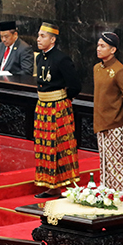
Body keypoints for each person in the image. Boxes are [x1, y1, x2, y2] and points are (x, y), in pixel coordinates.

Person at [33, 21, 81, 198]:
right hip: (42, 106)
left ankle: (66, 184)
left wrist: (65, 98)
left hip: (58, 107)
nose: (38, 39)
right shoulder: (40, 57)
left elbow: (75, 85)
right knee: (44, 146)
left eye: (42, 36)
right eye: (38, 35)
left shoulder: (62, 59)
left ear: (52, 40)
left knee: (60, 146)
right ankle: (50, 185)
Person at [93, 31, 123, 193]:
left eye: (102, 46)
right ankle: (107, 194)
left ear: (113, 50)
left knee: (118, 161)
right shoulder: (97, 68)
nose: (98, 49)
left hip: (116, 122)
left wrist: (120, 113)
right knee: (104, 161)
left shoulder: (119, 70)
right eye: (98, 45)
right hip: (101, 121)